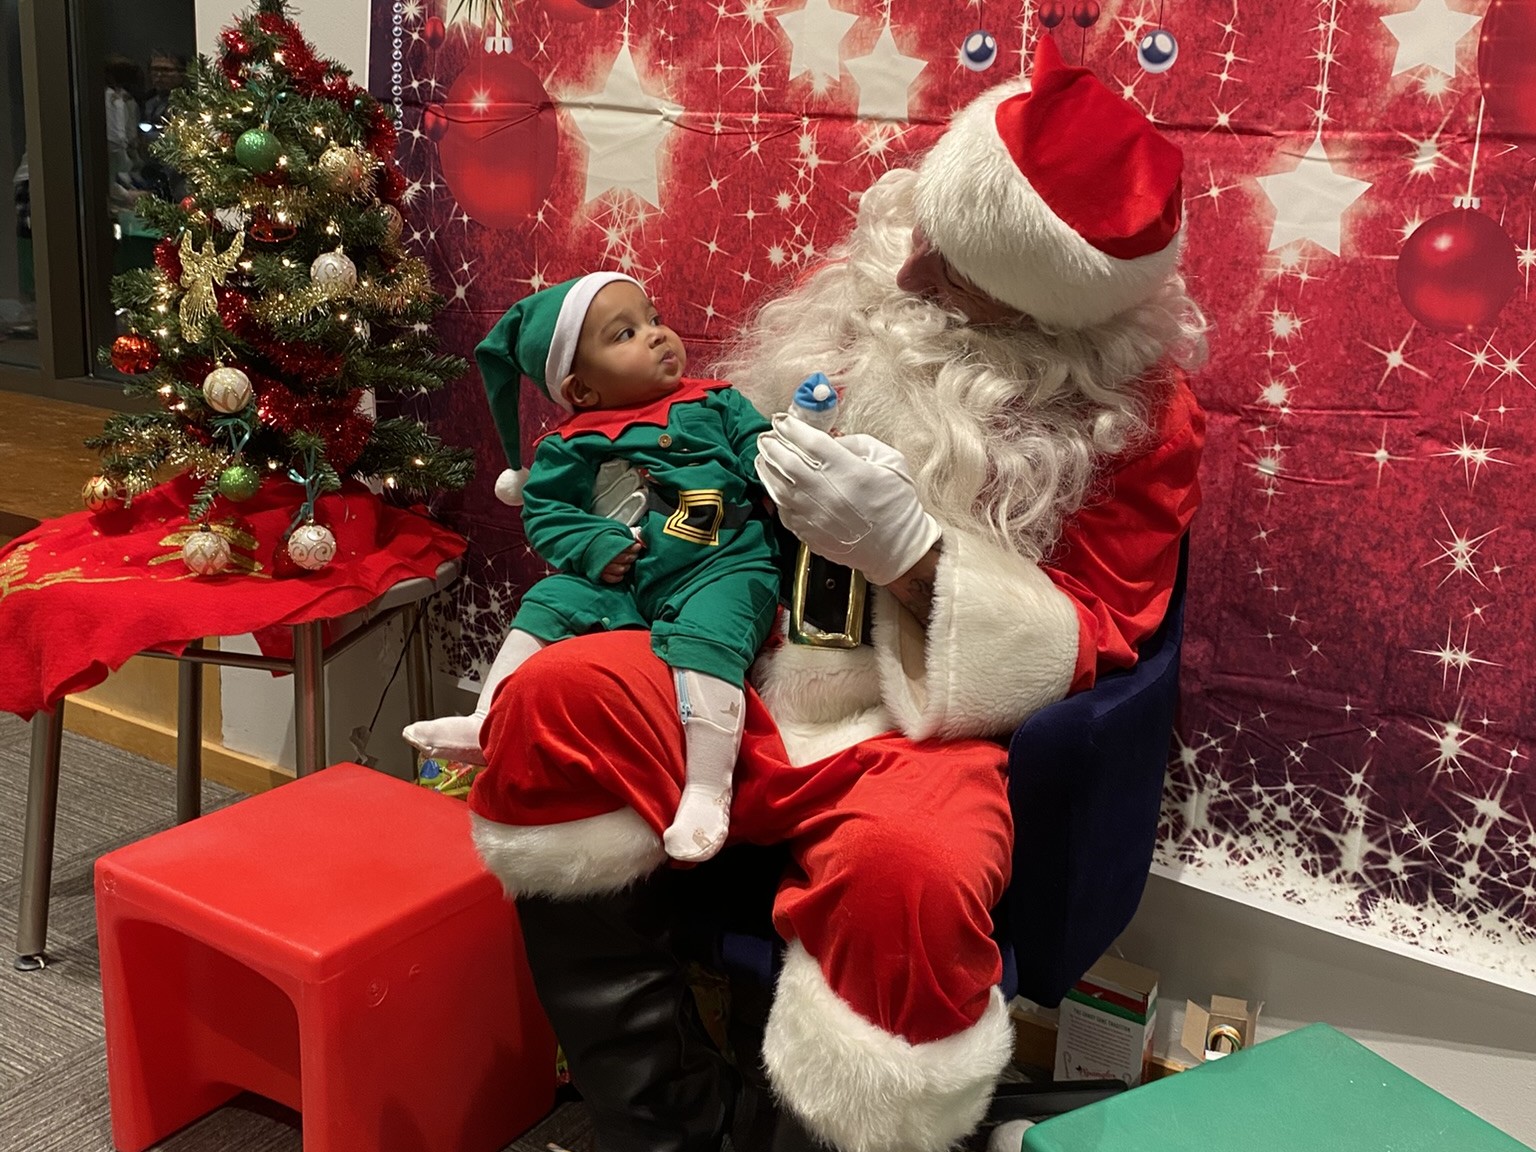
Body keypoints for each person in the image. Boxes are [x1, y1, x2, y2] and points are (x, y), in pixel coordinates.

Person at [467, 37, 1208, 1152]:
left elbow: (1111, 627)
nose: (906, 276)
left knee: (910, 871)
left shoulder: (1137, 413)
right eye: (927, 236)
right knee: (551, 703)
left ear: (1050, 316)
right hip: (743, 651)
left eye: (955, 274)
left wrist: (912, 557)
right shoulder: (875, 285)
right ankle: (677, 1125)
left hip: (920, 729)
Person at [406, 272, 780, 861]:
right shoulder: (570, 444)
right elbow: (547, 514)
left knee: (706, 638)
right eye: (626, 333)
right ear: (581, 389)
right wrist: (596, 545)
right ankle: (485, 719)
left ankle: (709, 790)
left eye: (654, 319)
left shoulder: (716, 402)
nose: (657, 335)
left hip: (724, 564)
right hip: (628, 582)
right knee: (550, 600)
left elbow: (760, 449)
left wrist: (787, 461)